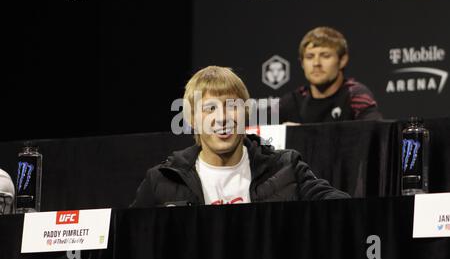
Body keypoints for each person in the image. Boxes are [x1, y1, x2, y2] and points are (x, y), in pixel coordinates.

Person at [131, 66, 350, 207]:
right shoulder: (163, 179)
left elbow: (341, 209)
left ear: (245, 113)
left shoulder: (286, 167)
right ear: (192, 120)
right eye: (210, 108)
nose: (222, 118)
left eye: (231, 106)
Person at [279, 26, 382, 124]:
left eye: (325, 56)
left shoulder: (355, 95)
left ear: (342, 60)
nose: (316, 63)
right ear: (302, 63)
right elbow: (263, 125)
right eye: (310, 57)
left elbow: (377, 135)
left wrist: (298, 134)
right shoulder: (291, 100)